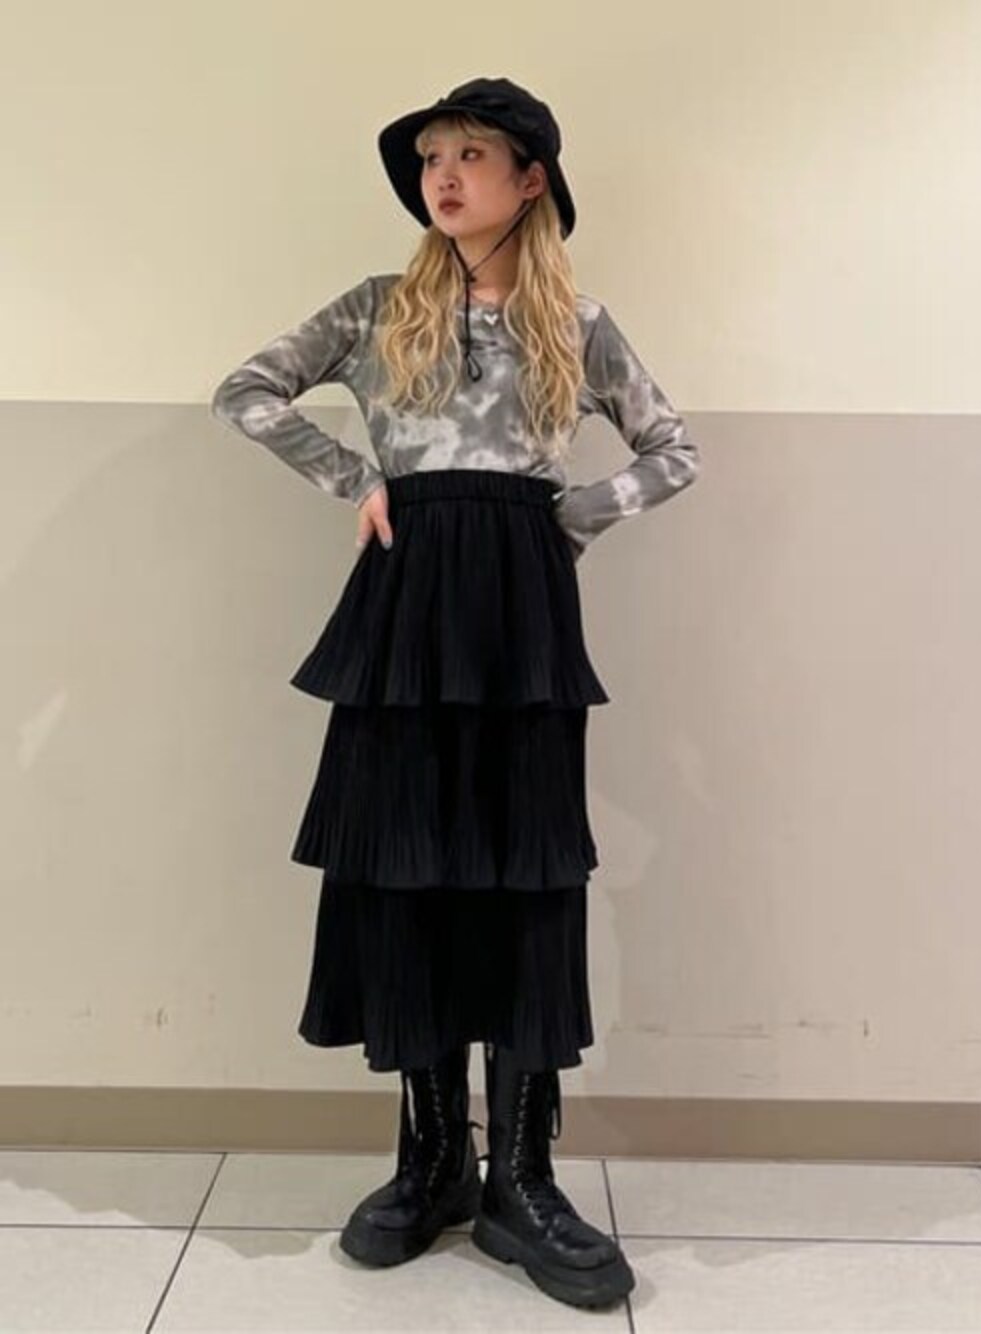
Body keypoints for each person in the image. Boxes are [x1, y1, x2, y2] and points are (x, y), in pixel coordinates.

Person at [210, 75, 701, 1310]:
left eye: (472, 154)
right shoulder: (377, 307)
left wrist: (568, 518)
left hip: (522, 616)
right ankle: (430, 1158)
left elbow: (672, 449)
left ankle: (521, 1176)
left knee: (525, 873)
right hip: (403, 607)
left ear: (529, 180)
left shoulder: (577, 322)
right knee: (405, 865)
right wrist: (352, 479)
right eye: (432, 154)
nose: (443, 173)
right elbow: (245, 390)